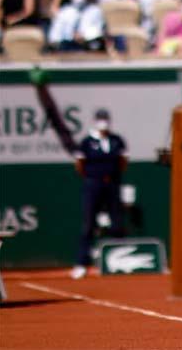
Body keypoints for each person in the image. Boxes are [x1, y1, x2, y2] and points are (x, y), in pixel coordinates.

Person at [72, 108, 129, 277]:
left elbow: (123, 161)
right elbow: (80, 165)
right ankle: (82, 263)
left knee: (117, 222)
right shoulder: (86, 142)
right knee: (89, 224)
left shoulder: (117, 140)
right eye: (100, 119)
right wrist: (92, 177)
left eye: (105, 119)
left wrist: (113, 176)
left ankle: (119, 262)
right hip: (93, 184)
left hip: (112, 184)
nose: (103, 123)